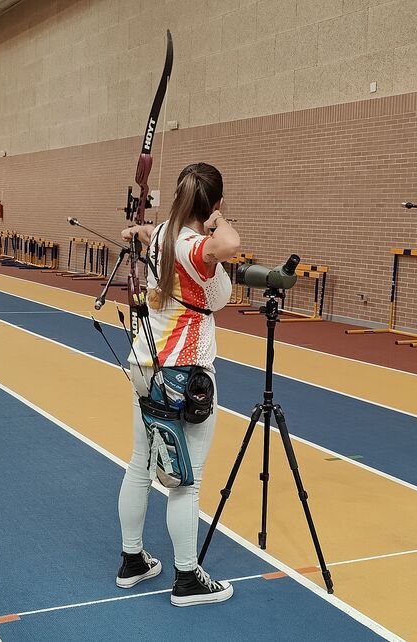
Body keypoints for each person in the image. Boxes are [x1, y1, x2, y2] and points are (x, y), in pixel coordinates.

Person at [115, 162, 241, 604]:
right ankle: (186, 578)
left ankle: (133, 561)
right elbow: (230, 243)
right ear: (213, 205)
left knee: (139, 464)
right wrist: (219, 220)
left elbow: (153, 232)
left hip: (146, 364)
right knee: (186, 482)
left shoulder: (167, 233)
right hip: (185, 375)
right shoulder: (196, 246)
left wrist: (144, 229)